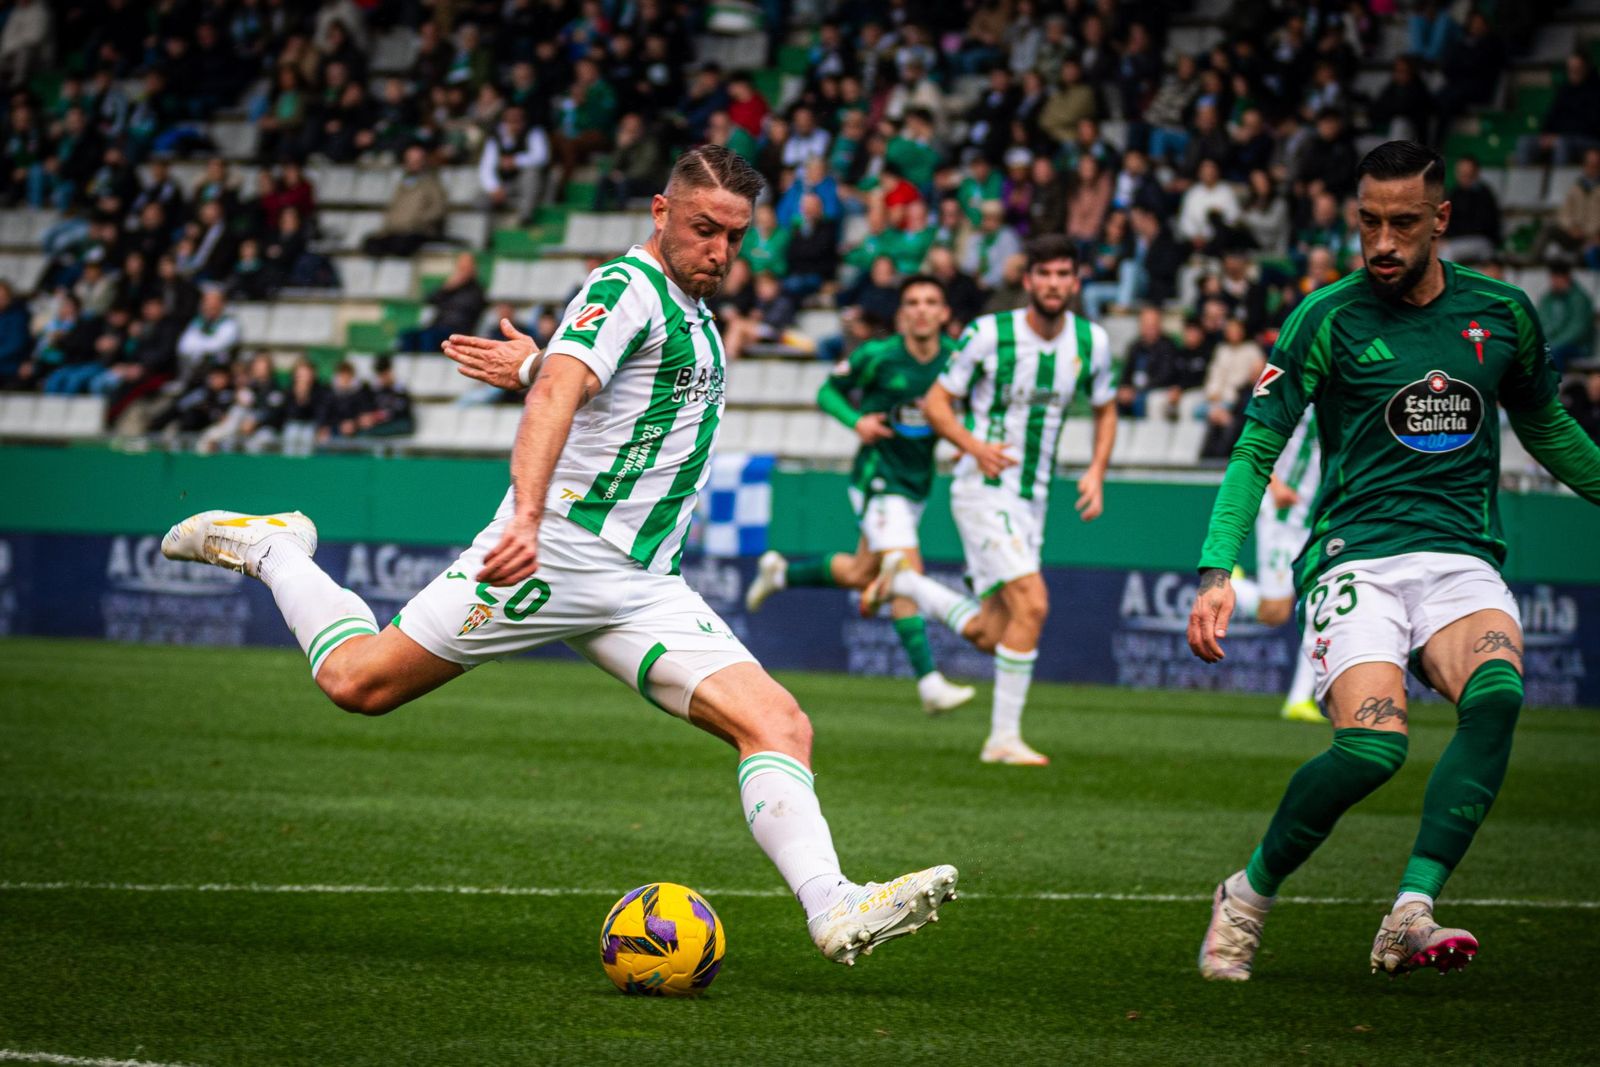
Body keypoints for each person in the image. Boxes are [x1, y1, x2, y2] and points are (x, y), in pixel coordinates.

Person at [160, 145, 958, 965]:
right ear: (660, 212)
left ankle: (833, 905)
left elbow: (600, 392)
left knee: (780, 722)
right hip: (557, 558)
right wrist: (531, 512)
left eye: (735, 236)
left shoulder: (692, 313)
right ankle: (273, 547)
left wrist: (541, 360)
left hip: (642, 585)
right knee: (357, 682)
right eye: (702, 228)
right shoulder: (626, 287)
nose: (719, 250)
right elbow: (557, 396)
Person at [1190, 142, 1600, 983]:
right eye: (1369, 221)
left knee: (1498, 697)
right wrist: (1216, 570)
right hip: (1356, 557)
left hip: (1461, 559)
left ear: (1440, 219)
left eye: (1403, 223)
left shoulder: (1503, 314)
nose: (1382, 240)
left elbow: (1549, 428)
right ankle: (1247, 892)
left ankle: (1411, 908)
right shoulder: (1326, 315)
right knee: (1374, 752)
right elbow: (1257, 445)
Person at [861, 235, 1118, 765]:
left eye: (1062, 274)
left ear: (1075, 282)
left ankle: (906, 582)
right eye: (1043, 274)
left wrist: (1096, 470)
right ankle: (1002, 740)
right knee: (1035, 603)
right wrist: (974, 446)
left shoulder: (1092, 341)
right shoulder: (987, 334)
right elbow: (937, 403)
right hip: (983, 489)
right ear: (1027, 281)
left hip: (1034, 498)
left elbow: (1106, 406)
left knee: (993, 631)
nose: (1053, 284)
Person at [744, 276, 976, 715]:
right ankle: (930, 684)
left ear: (945, 313)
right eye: (913, 302)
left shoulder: (955, 363)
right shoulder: (878, 356)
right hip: (876, 478)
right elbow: (827, 391)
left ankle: (781, 575)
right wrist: (858, 421)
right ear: (902, 314)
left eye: (931, 302)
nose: (922, 309)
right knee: (905, 568)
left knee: (860, 571)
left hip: (916, 483)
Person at [1224, 408, 1323, 722]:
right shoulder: (1304, 399)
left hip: (1317, 522)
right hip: (1282, 517)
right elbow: (1254, 441)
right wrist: (1275, 483)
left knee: (1321, 608)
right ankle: (1234, 588)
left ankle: (1299, 700)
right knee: (1275, 613)